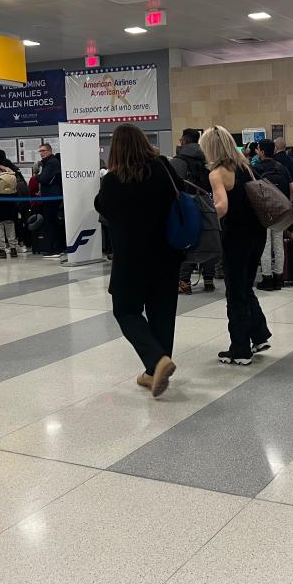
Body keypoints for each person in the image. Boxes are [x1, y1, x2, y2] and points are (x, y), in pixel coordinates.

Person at [95, 124, 181, 398]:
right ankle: (153, 370)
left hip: (130, 259)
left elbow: (101, 206)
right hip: (167, 254)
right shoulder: (163, 168)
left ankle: (156, 362)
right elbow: (180, 195)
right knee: (162, 313)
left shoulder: (112, 180)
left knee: (126, 311)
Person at [201, 125, 272, 364]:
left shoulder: (217, 173)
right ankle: (259, 334)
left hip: (236, 238)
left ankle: (240, 350)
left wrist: (203, 219)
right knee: (245, 287)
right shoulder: (246, 167)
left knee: (235, 291)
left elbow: (221, 206)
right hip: (257, 235)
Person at [170, 128, 216, 294]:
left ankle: (184, 281)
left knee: (188, 243)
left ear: (184, 140)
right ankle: (209, 279)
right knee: (207, 239)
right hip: (207, 204)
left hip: (186, 207)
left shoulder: (177, 162)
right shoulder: (208, 160)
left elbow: (172, 187)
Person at [255, 139, 293, 291]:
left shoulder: (256, 168)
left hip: (264, 212)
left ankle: (267, 278)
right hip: (280, 211)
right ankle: (279, 277)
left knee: (265, 245)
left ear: (263, 152)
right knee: (278, 244)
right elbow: (292, 190)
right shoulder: (282, 168)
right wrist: (287, 205)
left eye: (258, 149)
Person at [37, 144, 65, 258]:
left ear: (49, 151)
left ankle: (54, 249)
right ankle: (57, 247)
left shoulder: (51, 163)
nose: (41, 153)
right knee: (53, 223)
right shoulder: (50, 162)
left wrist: (36, 176)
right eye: (40, 151)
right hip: (51, 197)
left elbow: (44, 178)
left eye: (43, 151)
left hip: (51, 198)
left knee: (51, 223)